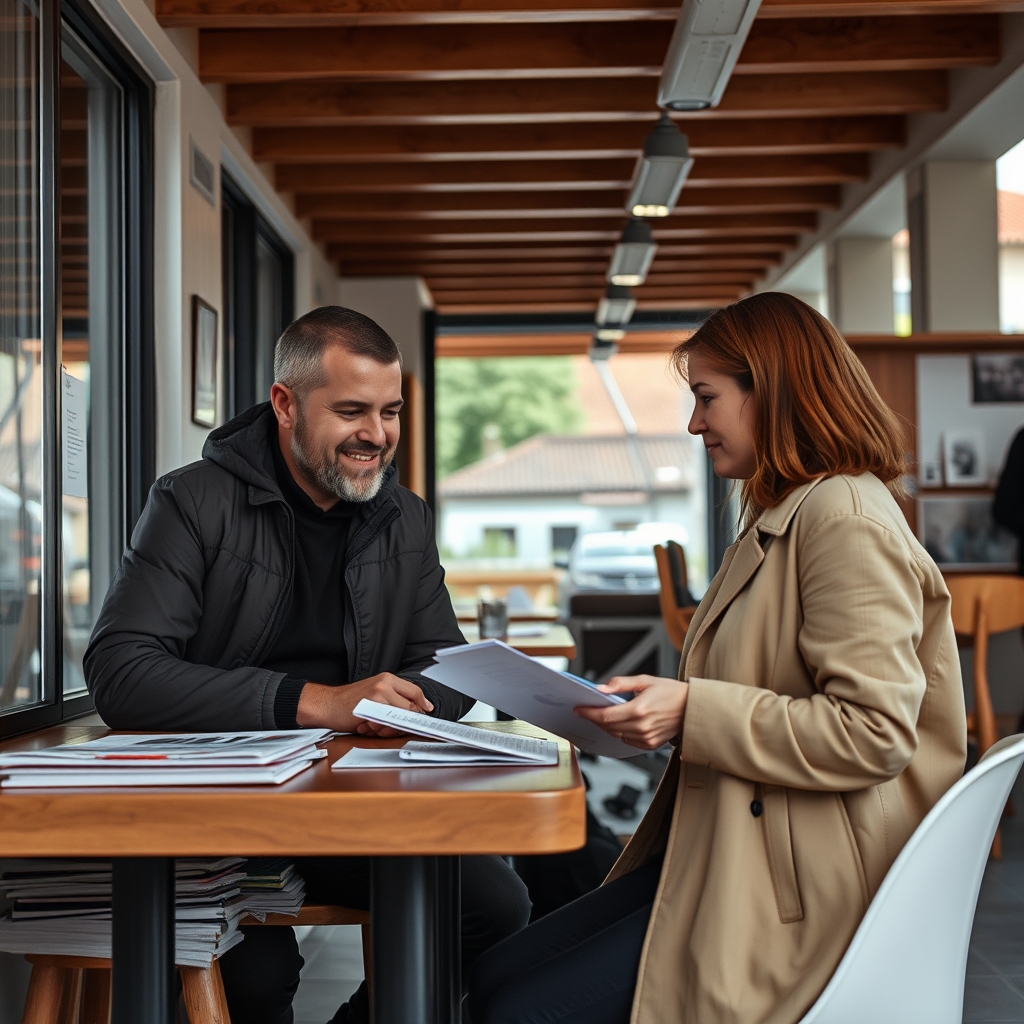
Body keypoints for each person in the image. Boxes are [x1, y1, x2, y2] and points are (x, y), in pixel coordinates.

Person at [468, 292, 967, 1024]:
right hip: (737, 851)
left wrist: (693, 710)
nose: (696, 422)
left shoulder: (844, 520)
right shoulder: (782, 512)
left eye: (707, 398)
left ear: (775, 392)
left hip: (800, 889)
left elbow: (873, 733)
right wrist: (661, 709)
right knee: (494, 976)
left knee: (518, 1006)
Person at [85, 306, 530, 1024]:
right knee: (255, 979)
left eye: (390, 412)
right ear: (285, 404)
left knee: (492, 905)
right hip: (220, 810)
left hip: (349, 805)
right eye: (352, 410)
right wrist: (320, 701)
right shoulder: (192, 501)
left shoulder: (404, 517)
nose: (377, 436)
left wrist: (402, 702)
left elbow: (445, 663)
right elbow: (121, 673)